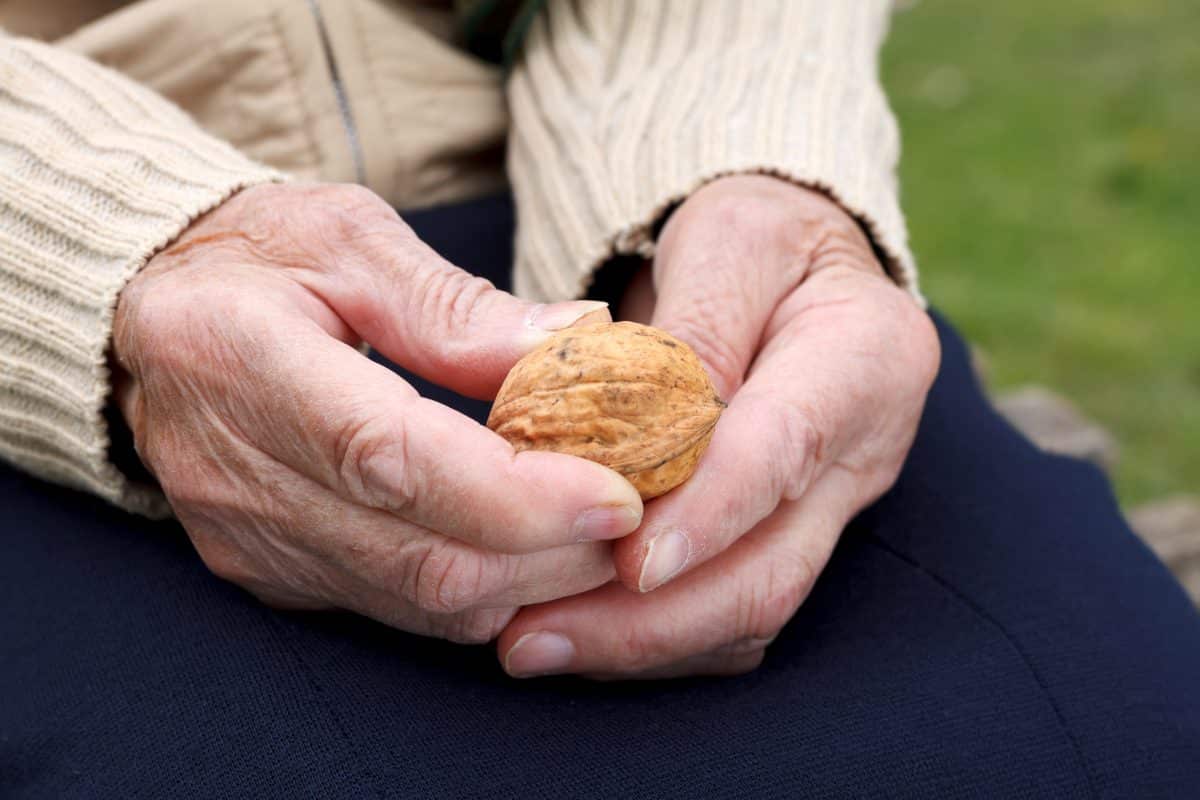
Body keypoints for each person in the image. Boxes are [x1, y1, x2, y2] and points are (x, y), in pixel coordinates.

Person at [1, 2, 1197, 797]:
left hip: (574, 230)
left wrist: (732, 153)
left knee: (1129, 737)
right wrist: (92, 257)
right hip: (62, 313)